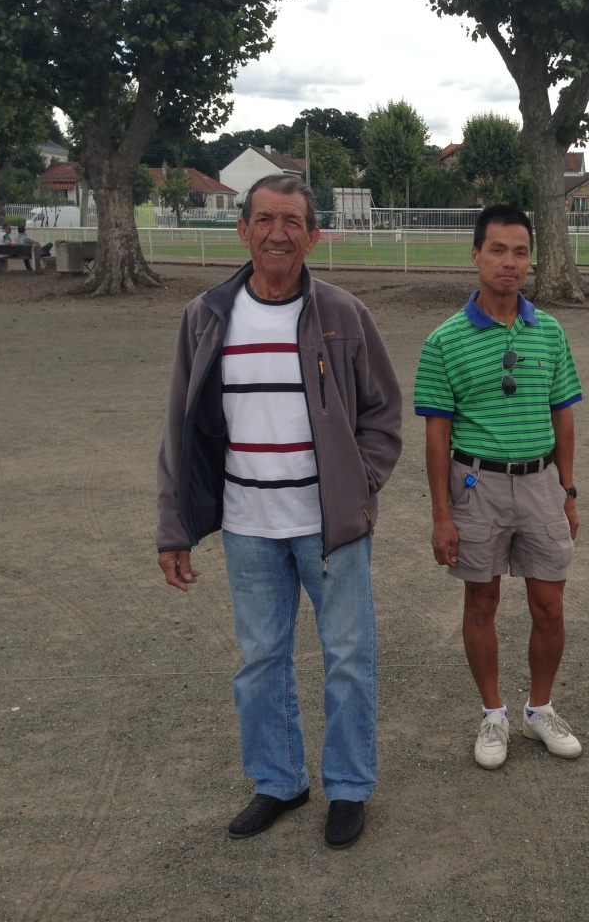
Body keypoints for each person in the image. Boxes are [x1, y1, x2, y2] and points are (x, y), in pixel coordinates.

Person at [156, 174, 402, 850]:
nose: (278, 233)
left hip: (331, 530)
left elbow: (384, 413)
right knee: (261, 661)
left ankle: (348, 787)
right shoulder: (206, 317)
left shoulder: (343, 314)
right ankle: (279, 779)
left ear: (313, 236)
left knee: (348, 658)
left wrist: (360, 486)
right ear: (242, 230)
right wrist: (174, 528)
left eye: (293, 221)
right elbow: (179, 428)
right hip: (248, 527)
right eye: (264, 218)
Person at [413, 204, 584, 770]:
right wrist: (441, 516)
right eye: (497, 250)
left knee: (549, 604)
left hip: (540, 483)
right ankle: (493, 713)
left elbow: (563, 415)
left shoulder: (549, 331)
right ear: (476, 255)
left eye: (520, 252)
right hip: (476, 485)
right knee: (481, 601)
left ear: (530, 260)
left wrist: (568, 491)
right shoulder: (445, 340)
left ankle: (540, 708)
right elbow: (437, 435)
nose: (509, 262)